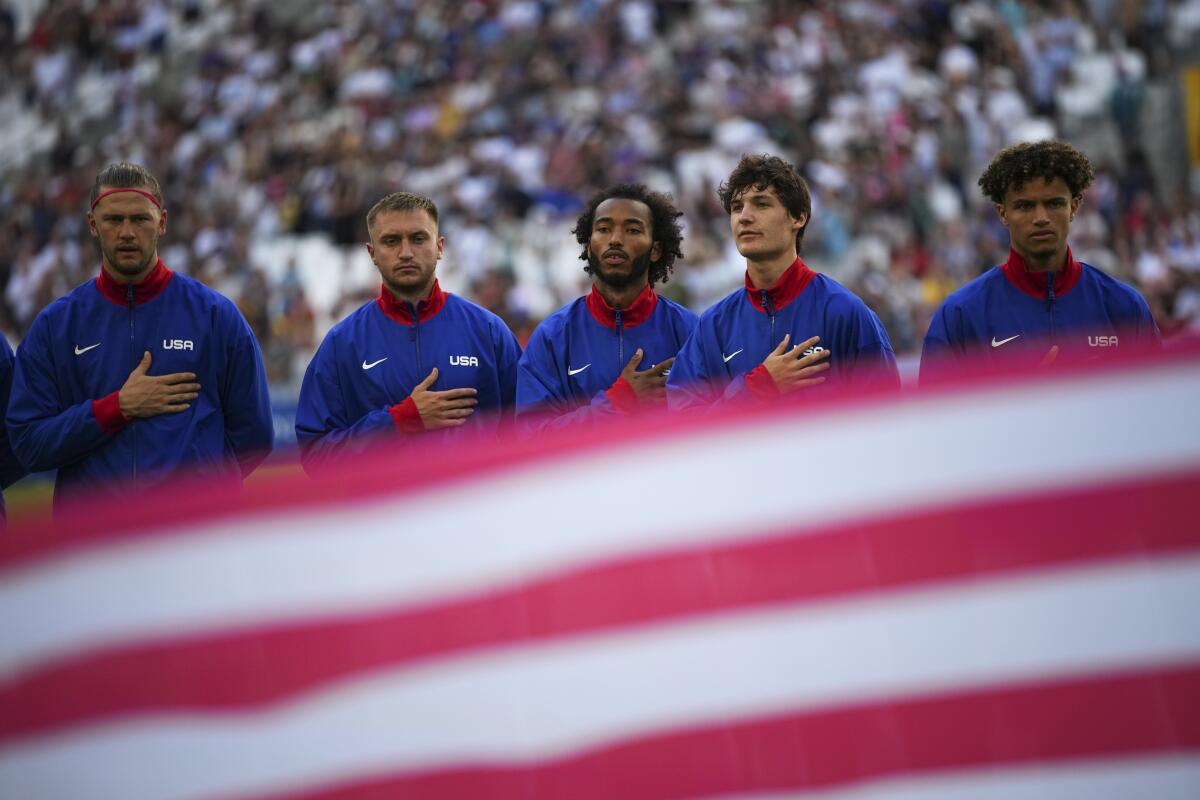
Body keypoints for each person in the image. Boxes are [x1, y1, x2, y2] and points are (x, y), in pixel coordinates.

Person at [7, 162, 273, 511]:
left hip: (196, 542)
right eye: (114, 220)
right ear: (92, 225)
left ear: (161, 222)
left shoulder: (215, 316)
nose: (127, 232)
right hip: (95, 543)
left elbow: (255, 436)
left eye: (140, 219)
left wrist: (198, 494)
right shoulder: (56, 327)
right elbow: (28, 442)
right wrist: (116, 408)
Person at [295, 191, 521, 472]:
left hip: (474, 511)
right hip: (387, 514)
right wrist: (402, 419)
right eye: (391, 241)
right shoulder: (342, 344)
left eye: (418, 238)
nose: (405, 252)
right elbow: (316, 457)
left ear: (439, 247)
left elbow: (529, 434)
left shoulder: (488, 331)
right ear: (372, 253)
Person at [667, 154, 899, 410]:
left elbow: (885, 422)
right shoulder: (712, 327)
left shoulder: (846, 314)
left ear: (798, 217)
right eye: (736, 207)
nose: (744, 217)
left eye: (761, 204)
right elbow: (685, 430)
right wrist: (757, 387)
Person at [921, 141, 1160, 382]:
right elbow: (933, 416)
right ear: (1002, 213)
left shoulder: (1124, 306)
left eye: (1054, 203)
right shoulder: (960, 316)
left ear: (1074, 207)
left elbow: (1158, 406)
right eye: (1025, 206)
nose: (1041, 218)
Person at [516, 184, 699, 432]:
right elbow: (531, 436)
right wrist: (619, 401)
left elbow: (713, 429)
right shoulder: (552, 336)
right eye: (603, 229)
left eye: (633, 230)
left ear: (655, 249)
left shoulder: (691, 331)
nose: (615, 239)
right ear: (588, 245)